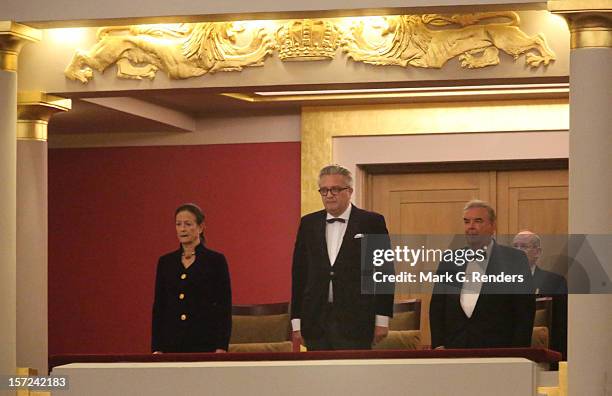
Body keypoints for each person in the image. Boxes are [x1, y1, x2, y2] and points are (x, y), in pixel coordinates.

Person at [291, 164, 394, 350]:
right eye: (324, 190)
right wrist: (296, 321)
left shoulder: (371, 222)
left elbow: (384, 271)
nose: (329, 195)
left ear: (350, 191)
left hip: (357, 320)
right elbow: (299, 273)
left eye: (336, 189)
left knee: (354, 377)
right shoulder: (308, 223)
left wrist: (382, 319)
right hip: (315, 320)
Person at [429, 200, 535, 349]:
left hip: (498, 352)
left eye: (478, 221)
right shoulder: (450, 260)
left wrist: (519, 353)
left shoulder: (514, 260)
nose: (471, 226)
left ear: (493, 227)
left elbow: (524, 311)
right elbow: (437, 307)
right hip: (454, 350)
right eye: (467, 222)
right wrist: (438, 345)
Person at [152, 203, 232, 353]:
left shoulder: (215, 261)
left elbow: (224, 306)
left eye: (188, 224)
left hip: (205, 341)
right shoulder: (165, 262)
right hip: (171, 342)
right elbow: (159, 307)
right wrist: (157, 347)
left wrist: (221, 346)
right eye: (178, 224)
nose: (182, 229)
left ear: (200, 227)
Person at [513, 230, 567, 360]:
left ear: (537, 252)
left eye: (524, 246)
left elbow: (561, 325)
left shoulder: (554, 282)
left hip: (543, 352)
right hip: (510, 349)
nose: (518, 251)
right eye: (515, 247)